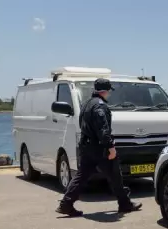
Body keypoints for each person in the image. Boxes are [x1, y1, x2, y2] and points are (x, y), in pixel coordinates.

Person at [56, 78, 143, 217]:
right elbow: (103, 129)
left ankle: (66, 204)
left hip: (86, 146)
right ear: (105, 91)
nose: (109, 94)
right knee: (115, 175)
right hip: (100, 148)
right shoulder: (100, 106)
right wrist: (110, 147)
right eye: (109, 91)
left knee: (81, 176)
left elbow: (82, 125)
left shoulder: (86, 104)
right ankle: (124, 204)